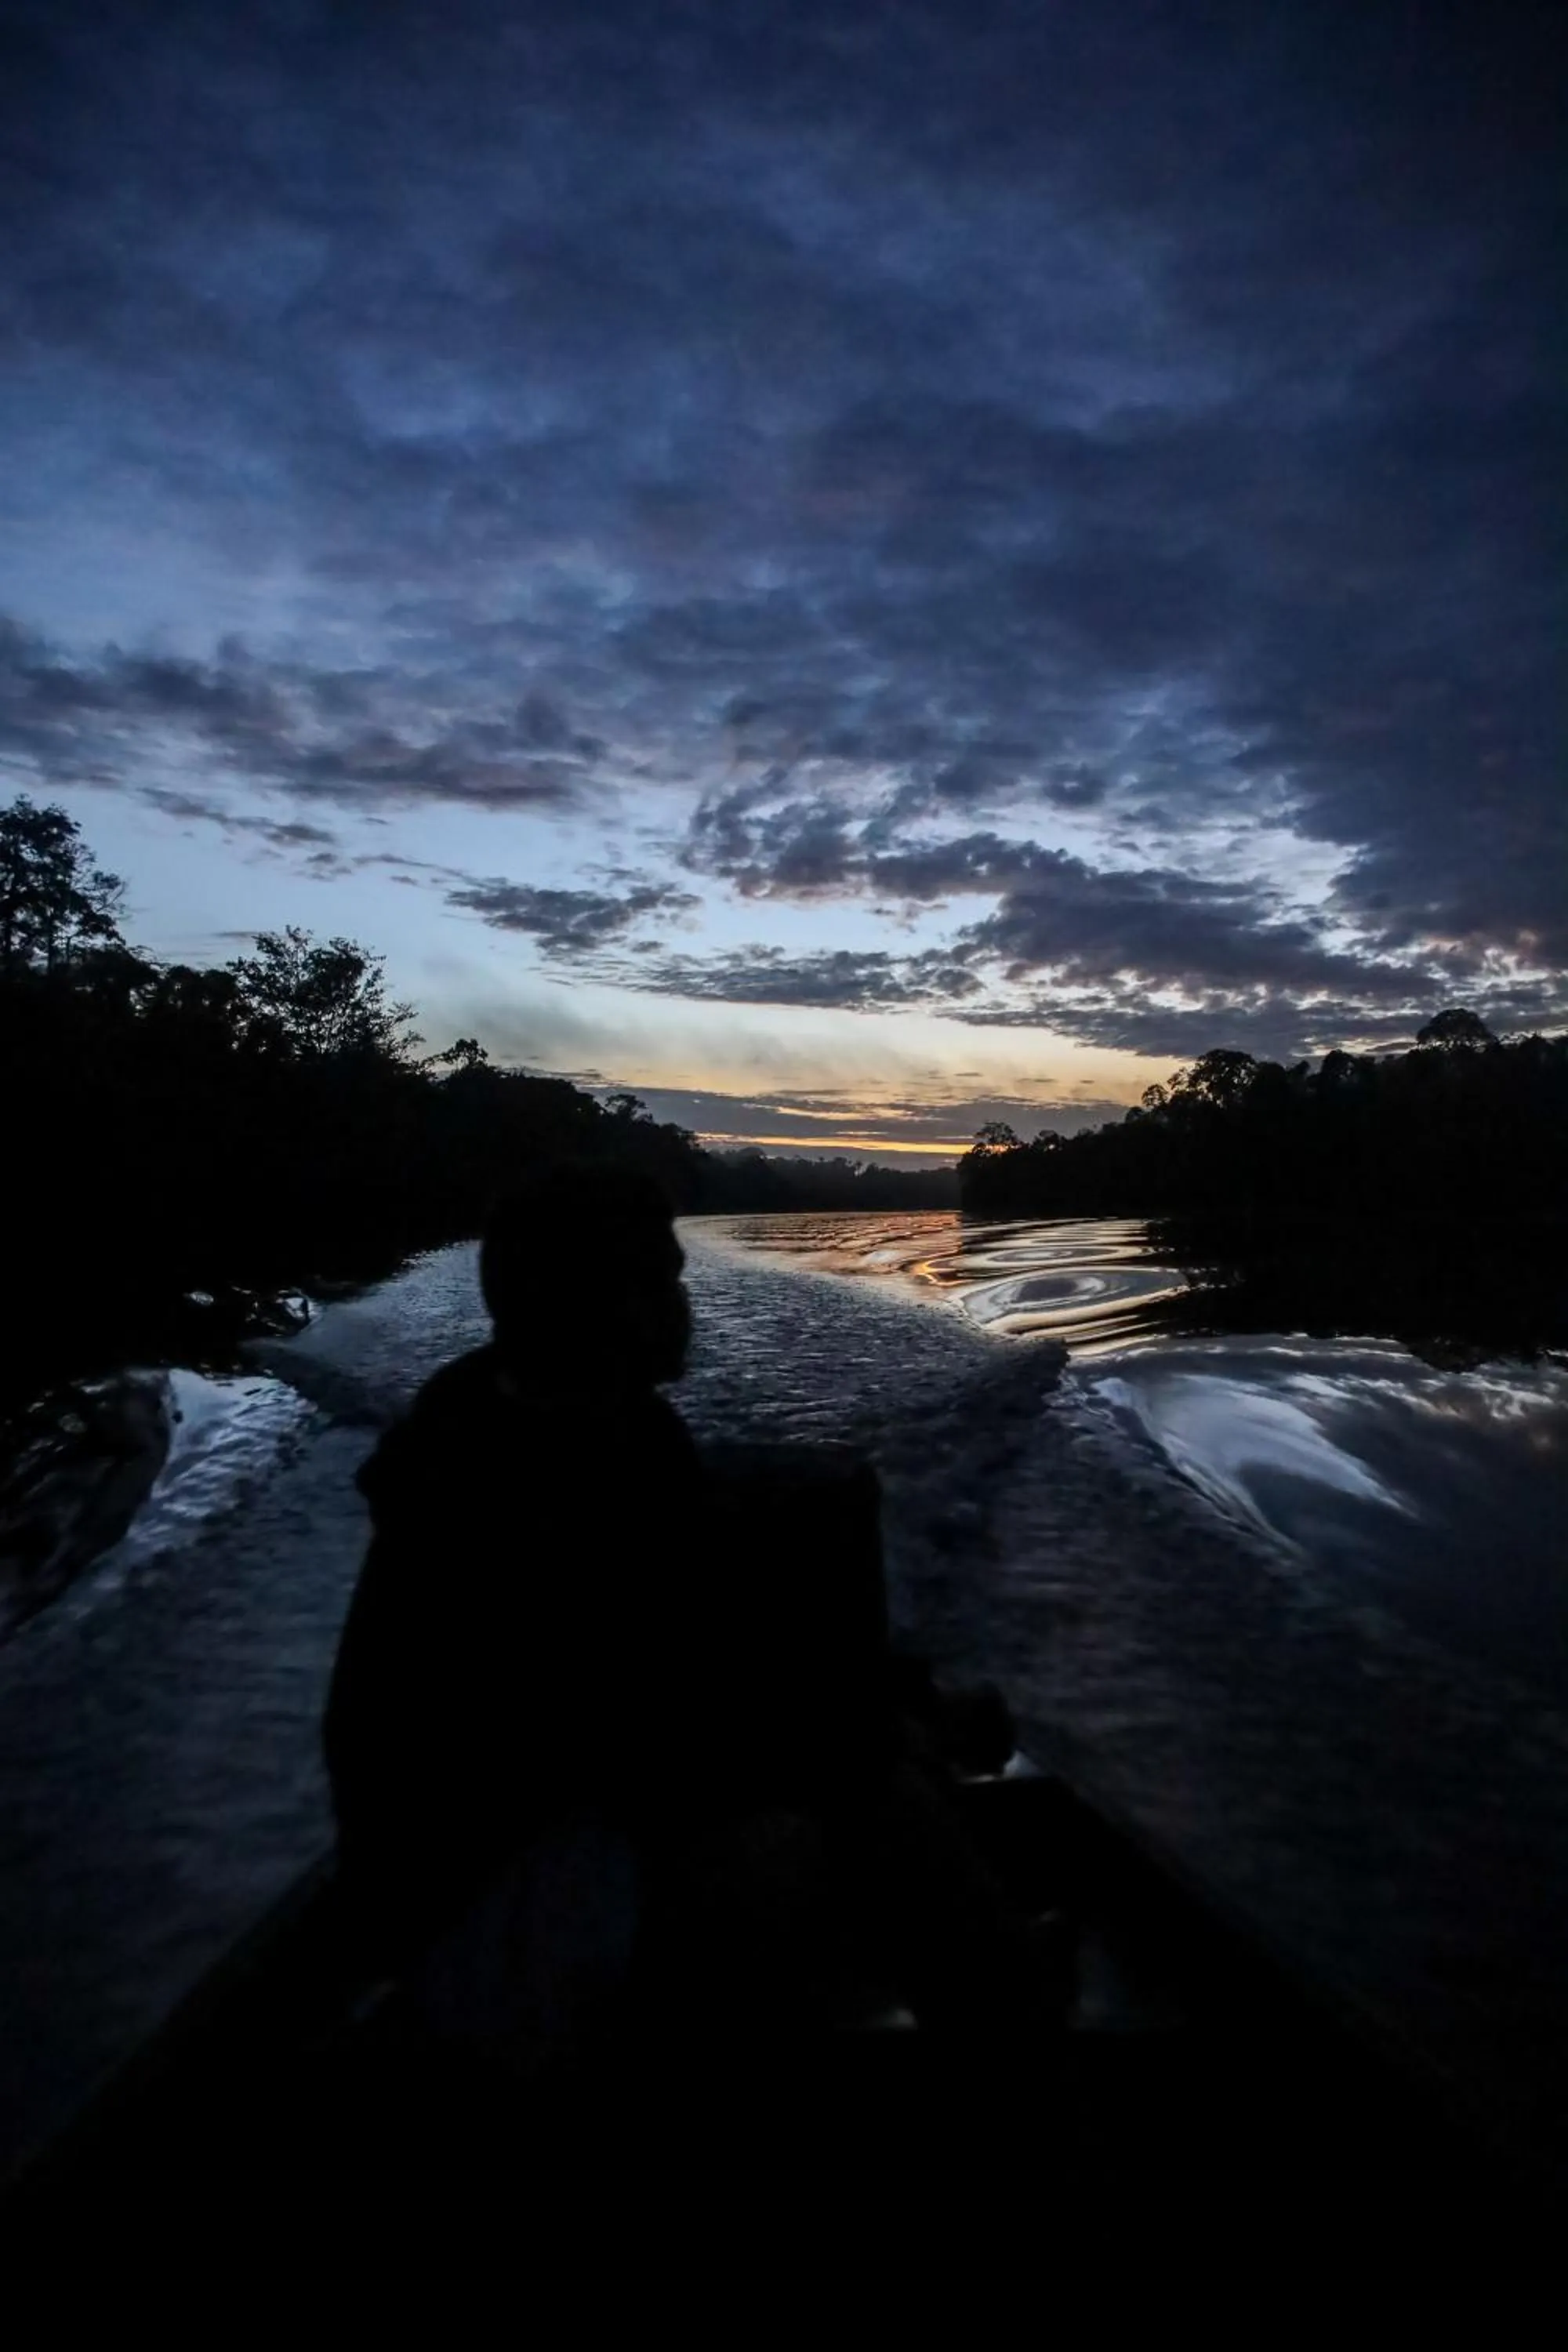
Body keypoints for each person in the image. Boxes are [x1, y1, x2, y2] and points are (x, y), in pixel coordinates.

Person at [324, 1160, 1039, 2070]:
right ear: (588, 1300)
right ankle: (1014, 2051)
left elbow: (712, 1641)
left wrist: (891, 1710)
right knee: (857, 1808)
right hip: (472, 1911)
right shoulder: (494, 1496)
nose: (680, 1300)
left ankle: (981, 1983)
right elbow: (653, 1746)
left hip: (559, 1831)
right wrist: (875, 1740)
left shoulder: (614, 1428)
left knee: (871, 1766)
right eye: (657, 1279)